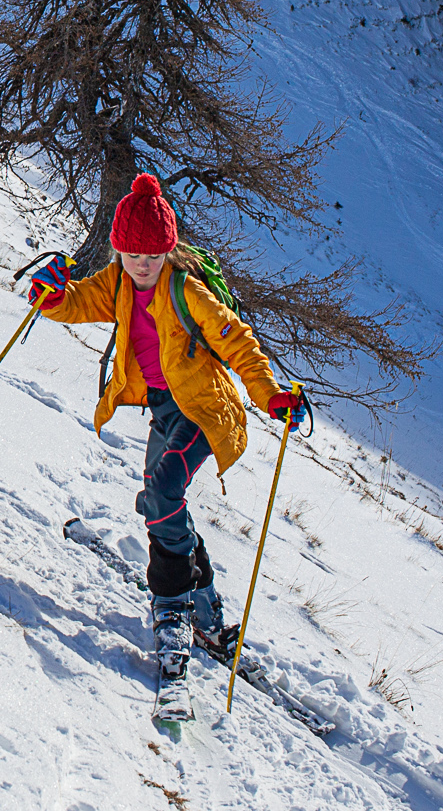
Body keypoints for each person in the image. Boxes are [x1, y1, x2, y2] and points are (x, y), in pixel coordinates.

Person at [26, 173, 306, 677]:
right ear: (119, 251)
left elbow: (237, 342)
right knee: (160, 502)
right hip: (163, 408)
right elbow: (78, 303)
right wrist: (49, 297)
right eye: (133, 256)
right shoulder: (117, 283)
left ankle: (173, 606)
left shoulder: (188, 291)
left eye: (152, 256)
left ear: (167, 252)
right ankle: (206, 608)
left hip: (203, 410)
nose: (142, 265)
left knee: (162, 492)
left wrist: (270, 394)